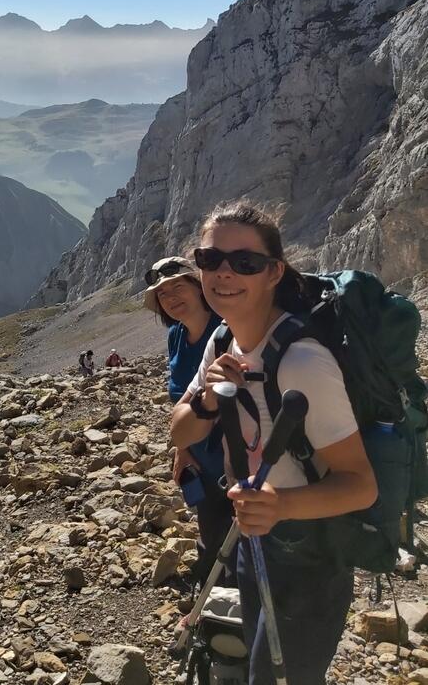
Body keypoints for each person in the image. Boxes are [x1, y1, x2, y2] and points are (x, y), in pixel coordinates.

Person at [170, 204, 376, 685]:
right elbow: (180, 433)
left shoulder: (302, 361)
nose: (224, 273)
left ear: (273, 272)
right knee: (259, 664)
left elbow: (361, 486)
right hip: (252, 536)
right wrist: (204, 400)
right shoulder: (222, 341)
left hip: (311, 551)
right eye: (210, 258)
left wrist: (279, 504)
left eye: (245, 263)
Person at [144, 256, 229, 585]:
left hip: (236, 452)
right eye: (162, 295)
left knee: (245, 536)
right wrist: (183, 449)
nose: (171, 297)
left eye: (178, 286)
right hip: (200, 453)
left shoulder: (226, 329)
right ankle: (211, 600)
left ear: (199, 287)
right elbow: (179, 397)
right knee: (210, 527)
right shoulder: (176, 337)